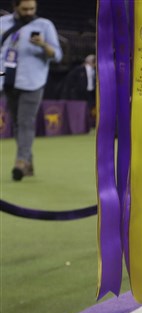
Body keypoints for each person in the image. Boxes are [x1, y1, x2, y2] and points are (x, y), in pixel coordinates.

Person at [0, 0, 62, 181]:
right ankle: (29, 162)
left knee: (26, 121)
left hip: (33, 81)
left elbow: (57, 55)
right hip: (8, 81)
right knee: (18, 123)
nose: (29, 12)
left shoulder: (44, 25)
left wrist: (43, 45)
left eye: (32, 8)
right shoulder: (3, 23)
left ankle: (20, 161)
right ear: (15, 7)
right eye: (24, 9)